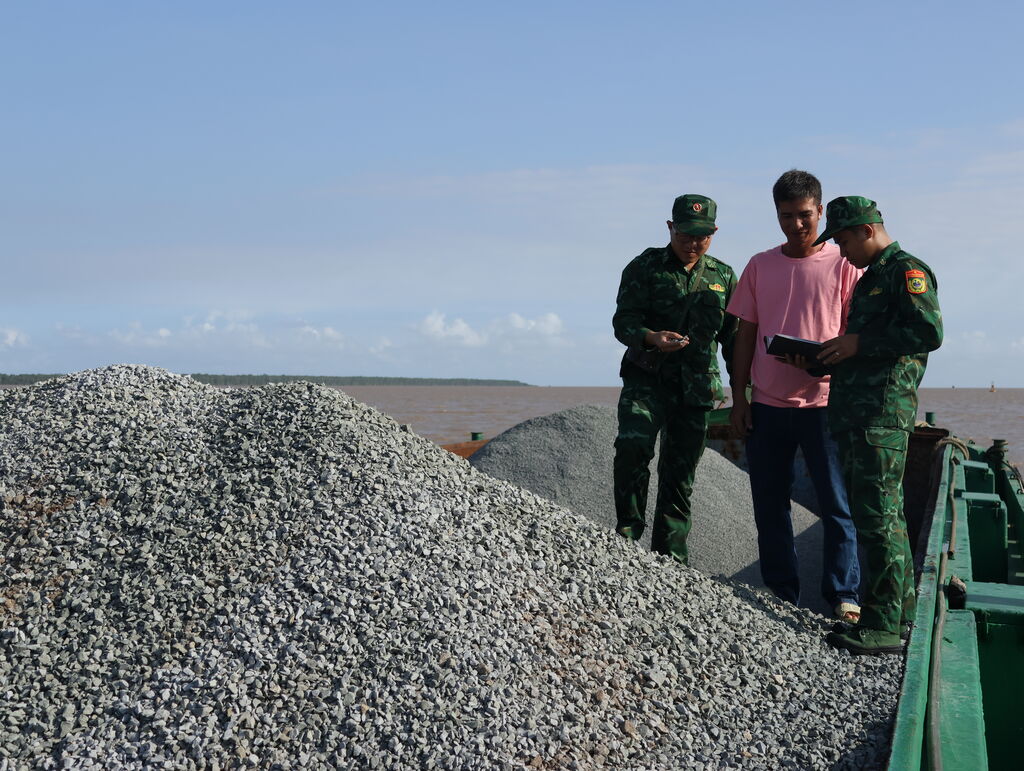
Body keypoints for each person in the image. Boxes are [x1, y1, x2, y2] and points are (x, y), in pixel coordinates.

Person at [726, 170, 863, 620]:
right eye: (786, 216)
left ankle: (843, 595)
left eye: (805, 215)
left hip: (825, 404)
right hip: (766, 405)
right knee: (770, 504)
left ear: (820, 211)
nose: (796, 224)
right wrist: (740, 398)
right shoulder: (759, 265)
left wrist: (822, 361)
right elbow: (745, 336)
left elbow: (855, 335)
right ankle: (780, 591)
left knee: (837, 504)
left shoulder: (844, 264)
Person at [812, 196, 943, 655]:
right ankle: (898, 612)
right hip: (860, 414)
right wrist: (833, 354)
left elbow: (929, 332)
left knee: (875, 517)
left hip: (881, 416)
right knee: (885, 514)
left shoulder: (905, 271)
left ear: (867, 230)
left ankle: (882, 624)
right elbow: (870, 348)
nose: (842, 250)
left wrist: (858, 344)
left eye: (844, 240)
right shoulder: (873, 277)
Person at [612, 194, 737, 565]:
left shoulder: (723, 276)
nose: (693, 243)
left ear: (714, 232)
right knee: (633, 452)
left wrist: (744, 392)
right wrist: (651, 337)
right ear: (670, 227)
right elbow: (623, 323)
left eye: (702, 236)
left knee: (680, 472)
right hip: (646, 381)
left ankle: (670, 558)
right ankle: (626, 540)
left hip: (696, 389)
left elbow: (734, 339)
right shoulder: (645, 267)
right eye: (685, 234)